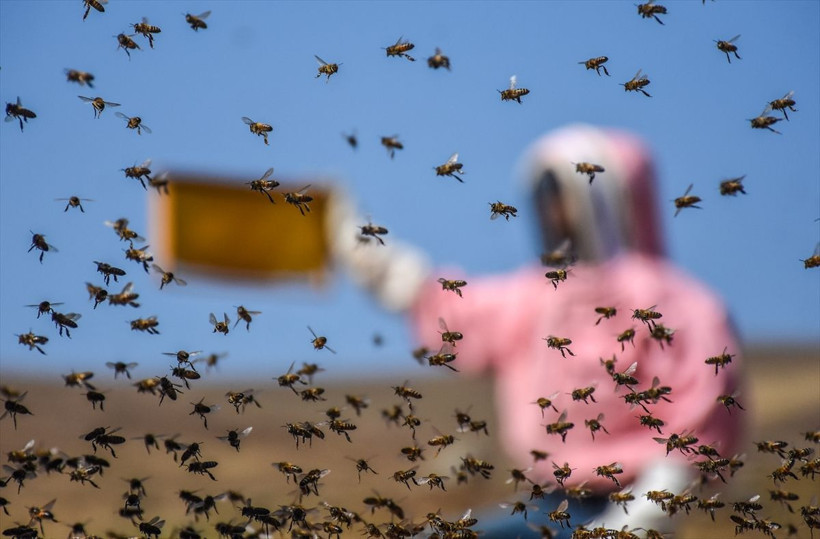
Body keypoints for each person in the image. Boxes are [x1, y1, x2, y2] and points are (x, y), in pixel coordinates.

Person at [331, 124, 743, 537]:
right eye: (543, 199)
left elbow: (700, 420)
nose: (551, 212)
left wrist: (640, 518)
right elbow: (442, 305)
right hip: (552, 506)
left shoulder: (678, 305)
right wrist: (359, 247)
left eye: (560, 197)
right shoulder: (534, 299)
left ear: (602, 198)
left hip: (633, 507)